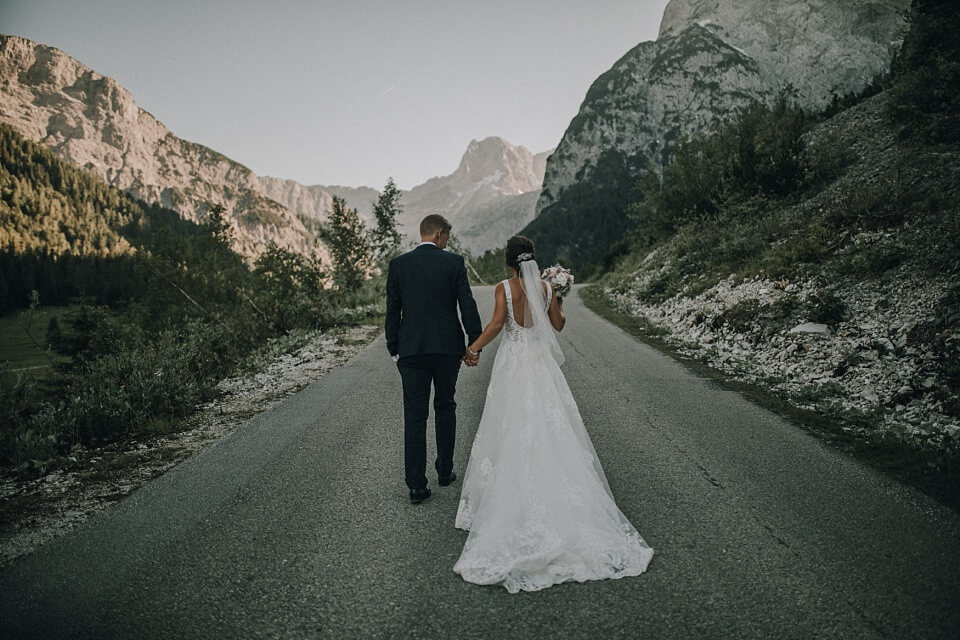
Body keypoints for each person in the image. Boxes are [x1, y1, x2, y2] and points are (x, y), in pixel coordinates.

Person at [452, 235, 654, 593]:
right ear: (532, 260)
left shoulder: (503, 288)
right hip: (541, 365)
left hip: (514, 364)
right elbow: (558, 326)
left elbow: (498, 325)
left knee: (510, 425)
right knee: (550, 425)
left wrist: (473, 348)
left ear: (508, 262)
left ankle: (509, 498)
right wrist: (558, 295)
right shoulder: (545, 288)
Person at [385, 214, 483, 504]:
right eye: (447, 238)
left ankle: (416, 485)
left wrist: (394, 348)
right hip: (446, 348)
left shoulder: (399, 265)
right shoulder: (453, 262)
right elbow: (467, 303)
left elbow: (393, 311)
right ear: (440, 234)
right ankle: (444, 469)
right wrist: (473, 342)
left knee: (415, 415)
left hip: (411, 350)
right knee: (445, 405)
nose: (447, 243)